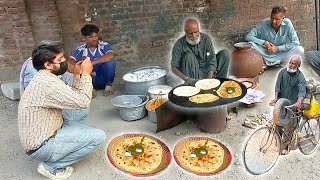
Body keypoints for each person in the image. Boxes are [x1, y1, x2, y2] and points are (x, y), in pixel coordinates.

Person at [18, 44, 106, 179]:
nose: (65, 61)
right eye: (60, 60)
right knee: (99, 137)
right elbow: (82, 100)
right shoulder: (46, 83)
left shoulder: (47, 76)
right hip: (41, 145)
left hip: (50, 127)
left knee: (81, 110)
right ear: (48, 65)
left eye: (63, 57)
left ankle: (72, 137)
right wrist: (86, 75)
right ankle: (50, 167)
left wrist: (77, 75)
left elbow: (76, 98)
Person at [245, 6, 304, 72]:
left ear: (283, 18)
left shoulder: (288, 24)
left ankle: (282, 64)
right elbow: (248, 37)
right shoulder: (263, 23)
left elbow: (296, 42)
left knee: (300, 49)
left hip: (280, 54)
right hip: (265, 53)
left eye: (277, 19)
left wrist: (277, 48)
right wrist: (264, 42)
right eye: (272, 18)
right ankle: (263, 63)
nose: (273, 21)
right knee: (250, 45)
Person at [171, 18, 230, 82]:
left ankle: (219, 83)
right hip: (192, 75)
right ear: (185, 32)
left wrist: (209, 79)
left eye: (196, 32)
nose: (194, 36)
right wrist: (186, 79)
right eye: (190, 33)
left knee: (225, 53)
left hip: (208, 72)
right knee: (188, 56)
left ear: (199, 29)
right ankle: (194, 85)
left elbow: (212, 60)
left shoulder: (206, 39)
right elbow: (174, 67)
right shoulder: (179, 44)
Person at [70, 24, 116, 96]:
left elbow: (110, 56)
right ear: (84, 38)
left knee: (111, 62)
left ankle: (108, 86)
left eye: (96, 36)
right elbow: (70, 61)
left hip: (103, 76)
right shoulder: (81, 49)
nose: (94, 39)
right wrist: (80, 68)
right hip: (90, 79)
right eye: (91, 37)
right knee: (75, 66)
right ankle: (91, 89)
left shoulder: (103, 45)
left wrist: (91, 63)